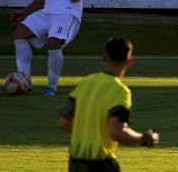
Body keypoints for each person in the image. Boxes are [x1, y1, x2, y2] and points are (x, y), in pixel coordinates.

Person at [58, 37, 160, 172]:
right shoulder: (120, 91)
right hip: (100, 166)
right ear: (129, 62)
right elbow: (116, 132)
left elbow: (64, 123)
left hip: (75, 164)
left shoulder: (85, 83)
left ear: (104, 58)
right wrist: (145, 138)